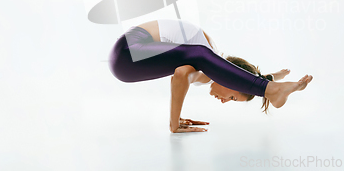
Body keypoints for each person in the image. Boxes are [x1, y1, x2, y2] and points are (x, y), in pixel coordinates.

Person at [108, 19, 313, 133]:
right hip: (129, 51)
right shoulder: (206, 59)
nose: (224, 101)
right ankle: (270, 90)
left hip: (127, 59)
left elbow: (235, 74)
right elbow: (180, 75)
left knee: (199, 54)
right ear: (231, 77)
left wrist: (271, 75)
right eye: (232, 97)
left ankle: (269, 88)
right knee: (199, 53)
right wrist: (174, 123)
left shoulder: (206, 67)